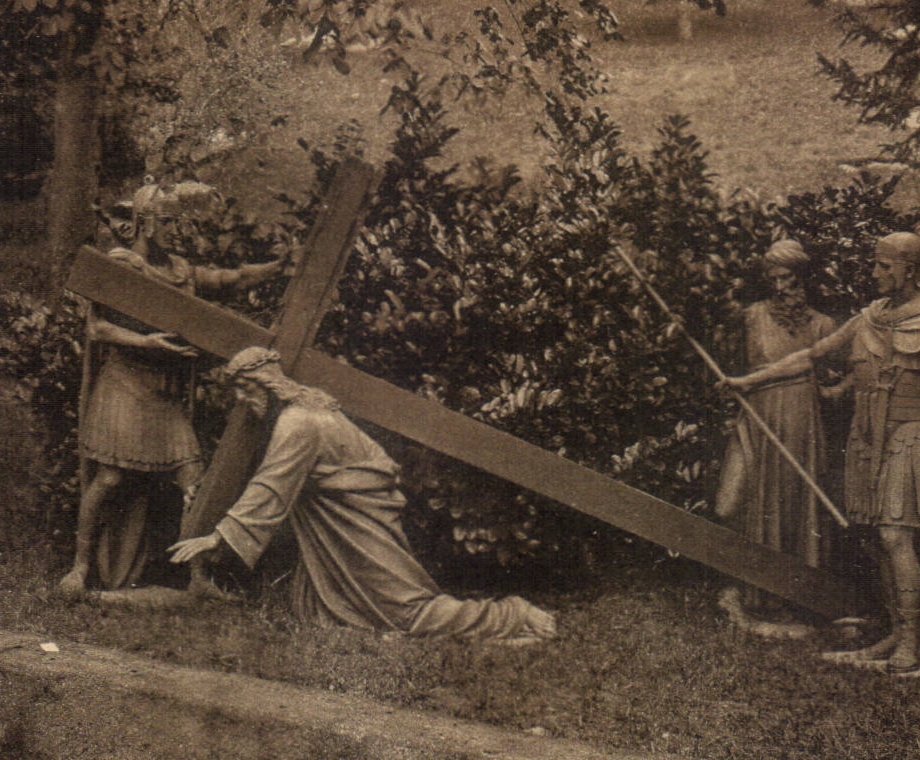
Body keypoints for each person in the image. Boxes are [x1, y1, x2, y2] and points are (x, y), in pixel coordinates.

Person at [725, 232, 920, 672]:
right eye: (875, 264)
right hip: (869, 441)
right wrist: (747, 382)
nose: (875, 273)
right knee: (880, 541)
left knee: (897, 535)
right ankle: (897, 629)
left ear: (910, 269)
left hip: (914, 438)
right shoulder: (870, 317)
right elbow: (812, 355)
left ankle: (911, 643)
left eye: (883, 266)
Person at [167, 347, 558, 643]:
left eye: (245, 390)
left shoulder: (298, 422)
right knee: (331, 613)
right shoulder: (310, 408)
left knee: (407, 612)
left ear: (266, 385)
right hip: (349, 513)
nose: (242, 401)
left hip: (357, 519)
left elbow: (271, 485)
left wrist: (218, 537)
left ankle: (513, 614)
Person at [59, 179, 285, 596]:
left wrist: (275, 270)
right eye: (166, 222)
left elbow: (225, 279)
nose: (175, 231)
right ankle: (79, 568)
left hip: (164, 395)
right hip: (126, 384)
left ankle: (197, 576)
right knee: (109, 479)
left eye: (178, 223)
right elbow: (97, 327)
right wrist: (146, 342)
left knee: (193, 480)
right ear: (145, 224)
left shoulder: (180, 270)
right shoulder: (122, 265)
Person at [713, 238, 838, 572]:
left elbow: (842, 380)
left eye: (788, 279)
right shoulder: (751, 317)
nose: (780, 287)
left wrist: (831, 392)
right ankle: (750, 583)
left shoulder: (823, 326)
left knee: (794, 511)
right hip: (755, 417)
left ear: (802, 277)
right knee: (727, 505)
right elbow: (726, 361)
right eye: (773, 279)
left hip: (800, 422)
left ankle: (789, 597)